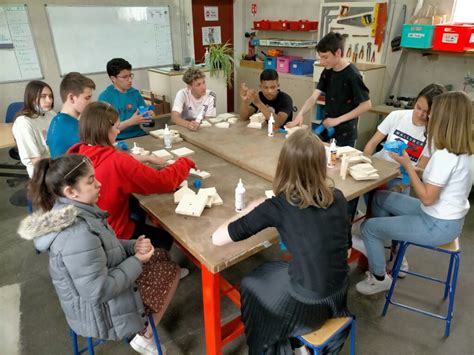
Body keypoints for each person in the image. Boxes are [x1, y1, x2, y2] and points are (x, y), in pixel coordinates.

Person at [18, 154, 179, 354]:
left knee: (161, 256)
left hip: (98, 291)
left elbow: (104, 245)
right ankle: (144, 336)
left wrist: (132, 246)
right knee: (171, 269)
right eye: (91, 180)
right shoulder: (77, 234)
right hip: (101, 312)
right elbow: (99, 291)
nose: (99, 184)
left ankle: (144, 329)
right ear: (71, 191)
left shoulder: (74, 209)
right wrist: (137, 260)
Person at [212, 129, 351, 354]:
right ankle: (295, 341)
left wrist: (252, 206)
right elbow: (345, 250)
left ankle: (280, 343)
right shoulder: (338, 197)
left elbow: (218, 239)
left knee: (251, 282)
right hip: (338, 293)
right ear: (321, 164)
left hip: (307, 304)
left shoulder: (278, 206)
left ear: (283, 165)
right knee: (279, 269)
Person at [356, 91, 473, 295]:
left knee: (369, 228)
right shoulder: (465, 151)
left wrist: (408, 165)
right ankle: (383, 249)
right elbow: (440, 181)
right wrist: (418, 169)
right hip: (447, 217)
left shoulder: (445, 156)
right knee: (381, 197)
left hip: (437, 224)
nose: (428, 117)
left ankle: (380, 277)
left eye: (432, 114)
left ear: (444, 119)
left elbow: (427, 198)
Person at [67, 102, 195, 252]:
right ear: (105, 129)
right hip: (112, 234)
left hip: (86, 233)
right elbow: (162, 182)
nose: (118, 132)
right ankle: (149, 266)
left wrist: (146, 159)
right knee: (164, 238)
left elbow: (111, 158)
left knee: (135, 207)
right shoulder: (117, 162)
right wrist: (184, 163)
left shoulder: (78, 152)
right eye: (116, 127)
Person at [286, 32, 371, 148]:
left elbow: (366, 105)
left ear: (338, 53)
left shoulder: (352, 75)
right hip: (327, 126)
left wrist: (337, 120)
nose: (322, 62)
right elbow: (313, 97)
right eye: (320, 57)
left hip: (345, 133)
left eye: (325, 57)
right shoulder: (328, 70)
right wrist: (300, 115)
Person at [364, 83, 446, 193]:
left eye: (426, 112)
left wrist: (401, 187)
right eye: (418, 107)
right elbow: (372, 143)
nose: (420, 114)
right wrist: (364, 164)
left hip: (402, 178)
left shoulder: (434, 135)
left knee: (383, 207)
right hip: (378, 169)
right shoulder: (396, 116)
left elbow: (419, 171)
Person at [98, 58, 152, 140]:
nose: (130, 80)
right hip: (117, 139)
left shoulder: (135, 93)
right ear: (113, 78)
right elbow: (106, 130)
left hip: (138, 135)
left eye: (130, 75)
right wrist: (131, 122)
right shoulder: (105, 97)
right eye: (124, 77)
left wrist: (149, 118)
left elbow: (146, 123)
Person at [12, 80, 55, 178]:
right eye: (43, 96)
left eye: (50, 96)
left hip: (57, 164)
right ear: (31, 98)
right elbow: (36, 160)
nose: (49, 100)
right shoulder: (23, 122)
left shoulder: (51, 114)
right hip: (43, 173)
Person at [47, 72, 95, 157]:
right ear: (71, 98)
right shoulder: (72, 128)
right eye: (87, 98)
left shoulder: (58, 120)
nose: (90, 102)